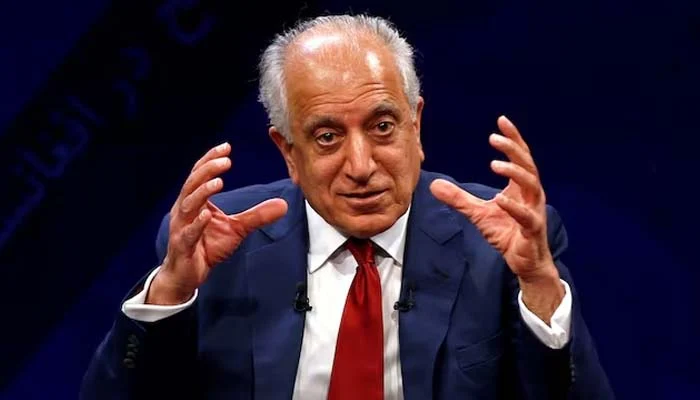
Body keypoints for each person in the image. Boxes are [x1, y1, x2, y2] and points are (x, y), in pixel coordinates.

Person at [80, 14, 613, 399]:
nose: (361, 165)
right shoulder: (219, 245)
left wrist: (539, 283)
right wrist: (171, 292)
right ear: (288, 152)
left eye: (382, 127)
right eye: (328, 137)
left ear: (415, 125)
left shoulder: (498, 244)